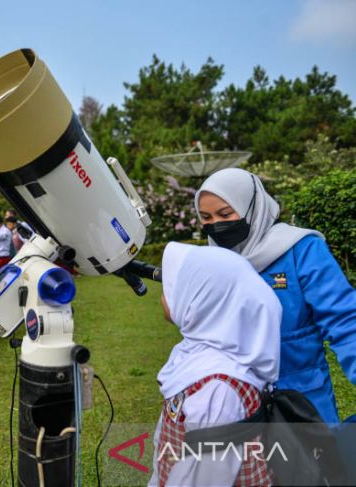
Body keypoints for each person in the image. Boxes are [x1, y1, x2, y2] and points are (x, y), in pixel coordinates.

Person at [195, 167, 356, 424]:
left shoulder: (301, 250)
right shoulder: (215, 262)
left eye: (225, 214)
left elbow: (345, 321)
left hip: (303, 397)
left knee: (318, 461)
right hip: (237, 400)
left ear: (253, 208)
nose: (216, 224)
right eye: (206, 217)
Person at [149, 242, 281, 487]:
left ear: (202, 300)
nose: (163, 296)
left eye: (172, 289)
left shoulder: (217, 392)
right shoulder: (197, 357)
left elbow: (204, 478)